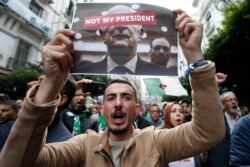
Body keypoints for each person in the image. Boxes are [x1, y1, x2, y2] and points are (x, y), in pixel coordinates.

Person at [0, 9, 226, 167]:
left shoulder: (157, 141)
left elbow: (208, 133)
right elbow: (16, 162)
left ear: (138, 109)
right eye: (111, 98)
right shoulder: (82, 146)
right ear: (102, 109)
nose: (118, 102)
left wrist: (195, 57)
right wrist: (51, 82)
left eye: (126, 97)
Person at [72, 5, 176, 76]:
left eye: (129, 21)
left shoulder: (166, 74)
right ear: (103, 34)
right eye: (113, 21)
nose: (121, 26)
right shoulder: (81, 72)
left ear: (139, 34)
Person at [0, 75, 76, 151]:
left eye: (42, 84)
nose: (30, 84)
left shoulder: (61, 146)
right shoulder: (11, 124)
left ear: (61, 99)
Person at [206, 91, 241, 167]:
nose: (233, 102)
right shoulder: (216, 121)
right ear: (223, 105)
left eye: (235, 99)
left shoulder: (244, 122)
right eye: (229, 100)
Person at [162, 102, 201, 167]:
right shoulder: (160, 139)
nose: (178, 114)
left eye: (181, 111)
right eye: (173, 111)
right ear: (167, 115)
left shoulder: (191, 137)